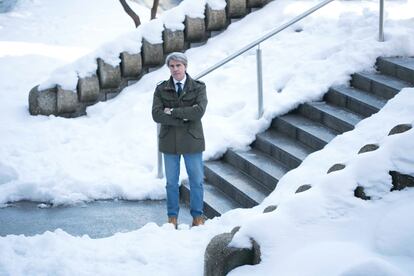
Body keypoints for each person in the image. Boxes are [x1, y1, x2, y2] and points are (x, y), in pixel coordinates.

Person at [152, 52, 208, 228]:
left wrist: (173, 112)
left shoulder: (198, 87)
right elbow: (156, 114)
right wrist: (185, 115)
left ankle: (197, 217)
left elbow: (198, 111)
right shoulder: (161, 88)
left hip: (192, 140)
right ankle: (172, 217)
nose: (175, 69)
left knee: (196, 180)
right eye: (172, 66)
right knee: (171, 182)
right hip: (170, 142)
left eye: (178, 65)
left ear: (185, 66)